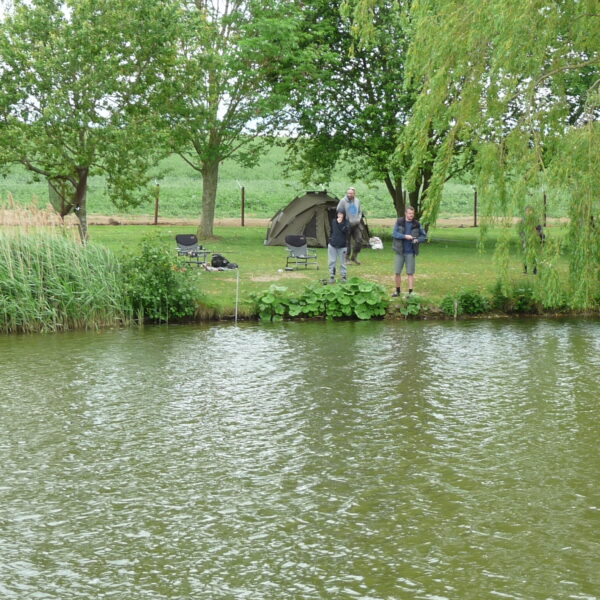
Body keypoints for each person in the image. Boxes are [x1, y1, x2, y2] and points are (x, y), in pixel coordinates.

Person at [391, 206, 427, 297]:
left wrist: (417, 240)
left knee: (410, 273)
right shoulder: (399, 221)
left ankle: (410, 292)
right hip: (399, 251)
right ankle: (397, 291)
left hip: (410, 252)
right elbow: (394, 233)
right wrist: (404, 236)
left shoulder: (417, 224)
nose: (411, 215)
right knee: (397, 272)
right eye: (410, 213)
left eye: (413, 213)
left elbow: (424, 236)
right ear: (405, 213)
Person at [336, 187, 363, 265]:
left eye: (351, 193)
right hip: (347, 224)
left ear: (354, 193)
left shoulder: (357, 201)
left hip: (356, 224)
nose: (349, 195)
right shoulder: (343, 201)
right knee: (347, 242)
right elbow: (339, 210)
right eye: (348, 193)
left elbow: (360, 211)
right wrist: (343, 220)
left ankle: (354, 257)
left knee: (359, 240)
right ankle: (346, 258)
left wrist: (358, 219)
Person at [518, 205, 545, 274]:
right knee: (525, 254)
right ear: (525, 212)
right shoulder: (523, 220)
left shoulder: (536, 220)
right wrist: (522, 238)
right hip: (526, 239)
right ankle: (525, 270)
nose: (528, 212)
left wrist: (538, 235)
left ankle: (535, 269)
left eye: (530, 211)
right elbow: (521, 230)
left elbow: (540, 230)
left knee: (533, 254)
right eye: (527, 211)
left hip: (533, 240)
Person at [328, 211, 349, 283]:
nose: (339, 215)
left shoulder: (347, 222)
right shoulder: (334, 221)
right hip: (332, 245)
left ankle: (343, 277)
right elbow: (332, 231)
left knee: (343, 262)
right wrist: (330, 239)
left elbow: (345, 231)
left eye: (341, 214)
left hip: (342, 246)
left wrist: (340, 223)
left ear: (344, 215)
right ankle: (332, 276)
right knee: (332, 261)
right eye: (338, 214)